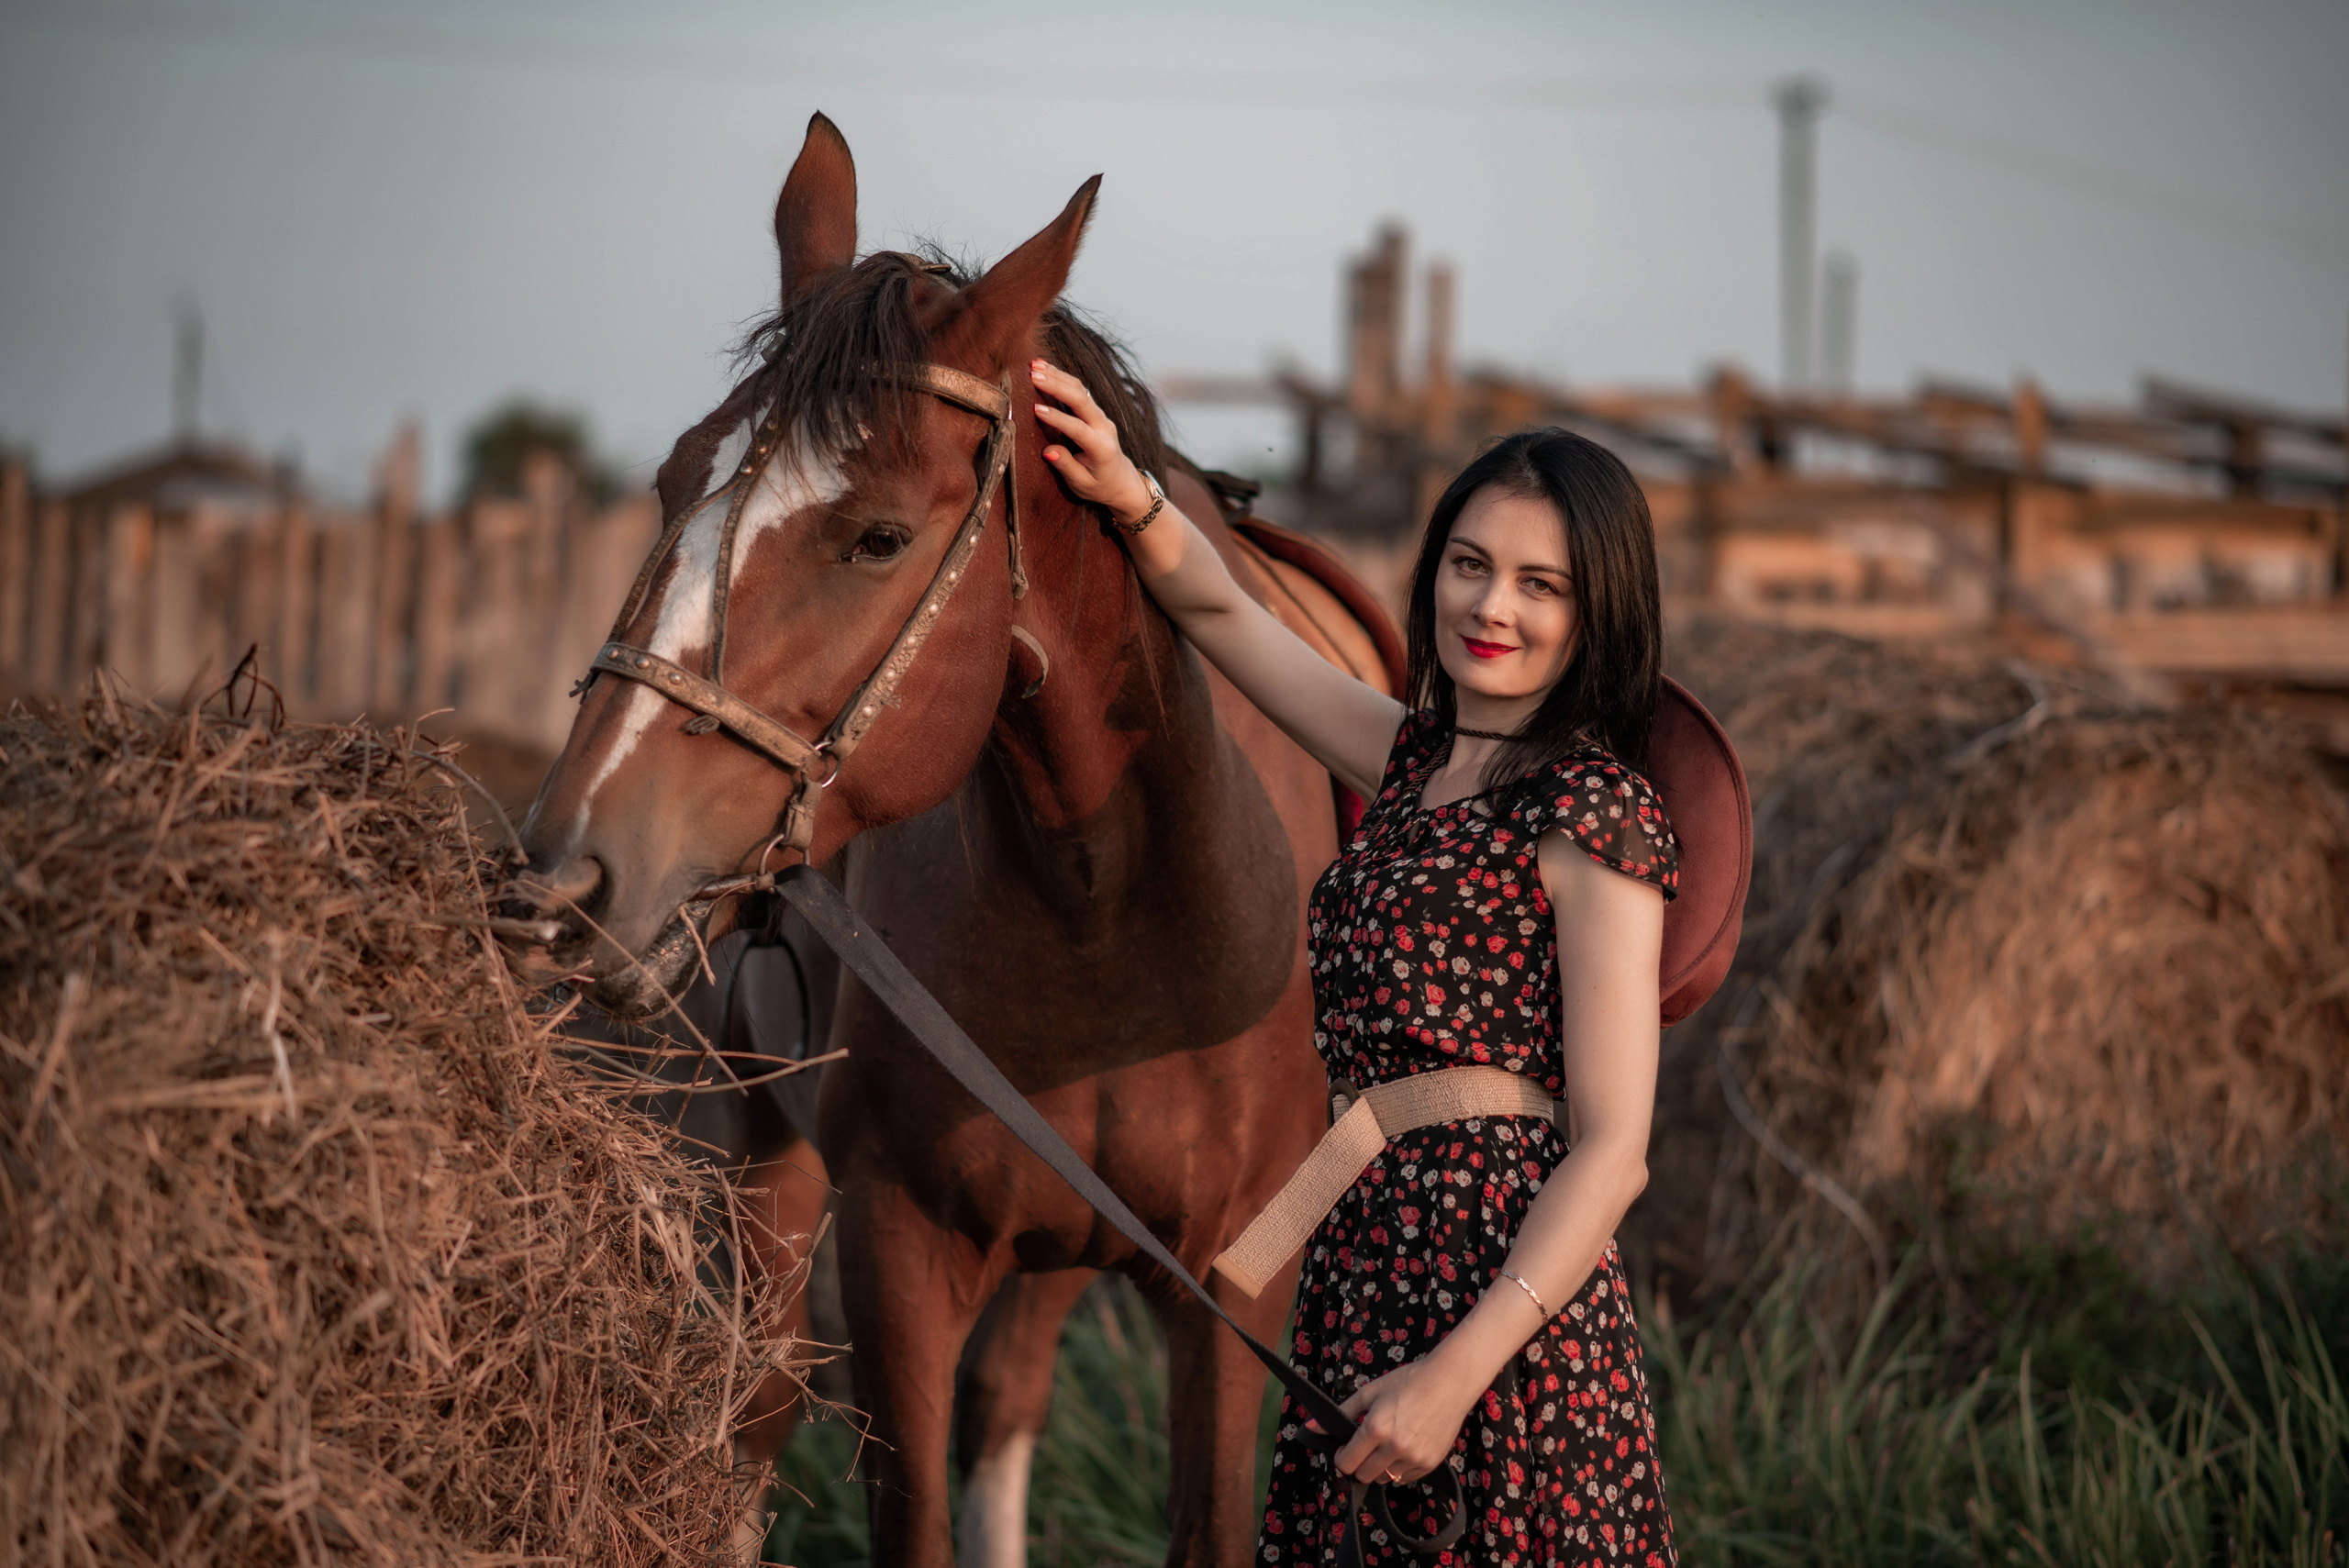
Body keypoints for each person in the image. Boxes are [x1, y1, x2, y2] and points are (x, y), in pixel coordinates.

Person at [1031, 358, 1678, 1567]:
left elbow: (1612, 1151)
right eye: (1471, 563)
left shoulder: (1596, 814)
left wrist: (1454, 1375)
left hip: (1508, 1308)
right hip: (1359, 1271)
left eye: (1544, 585)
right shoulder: (1414, 759)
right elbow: (1225, 618)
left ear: (1601, 614)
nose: (1493, 606)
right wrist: (1130, 492)